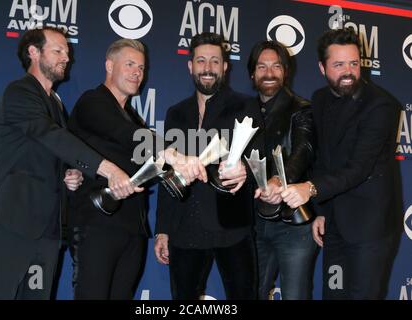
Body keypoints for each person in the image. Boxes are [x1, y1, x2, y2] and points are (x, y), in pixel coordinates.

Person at [0, 27, 145, 300]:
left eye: (68, 53)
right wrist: (108, 169)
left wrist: (70, 175)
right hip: (11, 227)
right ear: (33, 53)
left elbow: (54, 153)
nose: (66, 58)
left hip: (48, 235)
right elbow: (49, 136)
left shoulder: (57, 107)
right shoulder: (19, 92)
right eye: (58, 50)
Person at [67, 39, 206, 299]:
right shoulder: (92, 101)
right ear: (109, 65)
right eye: (129, 64)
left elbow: (151, 164)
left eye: (141, 68)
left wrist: (181, 170)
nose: (136, 73)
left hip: (132, 230)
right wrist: (175, 156)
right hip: (96, 224)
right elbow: (128, 134)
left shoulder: (133, 117)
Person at [281, 28, 400, 299]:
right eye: (339, 64)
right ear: (322, 68)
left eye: (354, 63)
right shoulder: (320, 99)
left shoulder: (381, 106)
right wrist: (321, 211)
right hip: (335, 225)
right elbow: (323, 158)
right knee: (333, 295)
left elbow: (358, 168)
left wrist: (309, 189)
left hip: (371, 227)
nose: (348, 71)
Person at [154, 32, 261, 300]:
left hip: (232, 226)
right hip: (184, 226)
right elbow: (167, 172)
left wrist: (247, 170)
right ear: (190, 66)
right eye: (201, 61)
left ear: (225, 67)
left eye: (215, 61)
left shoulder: (245, 105)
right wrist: (163, 229)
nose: (208, 68)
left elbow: (262, 154)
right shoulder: (175, 113)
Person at [247, 40, 317, 300]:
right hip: (252, 223)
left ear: (285, 72)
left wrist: (279, 179)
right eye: (262, 66)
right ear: (252, 73)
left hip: (292, 224)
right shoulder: (243, 112)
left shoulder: (302, 109)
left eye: (276, 66)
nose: (269, 72)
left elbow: (303, 150)